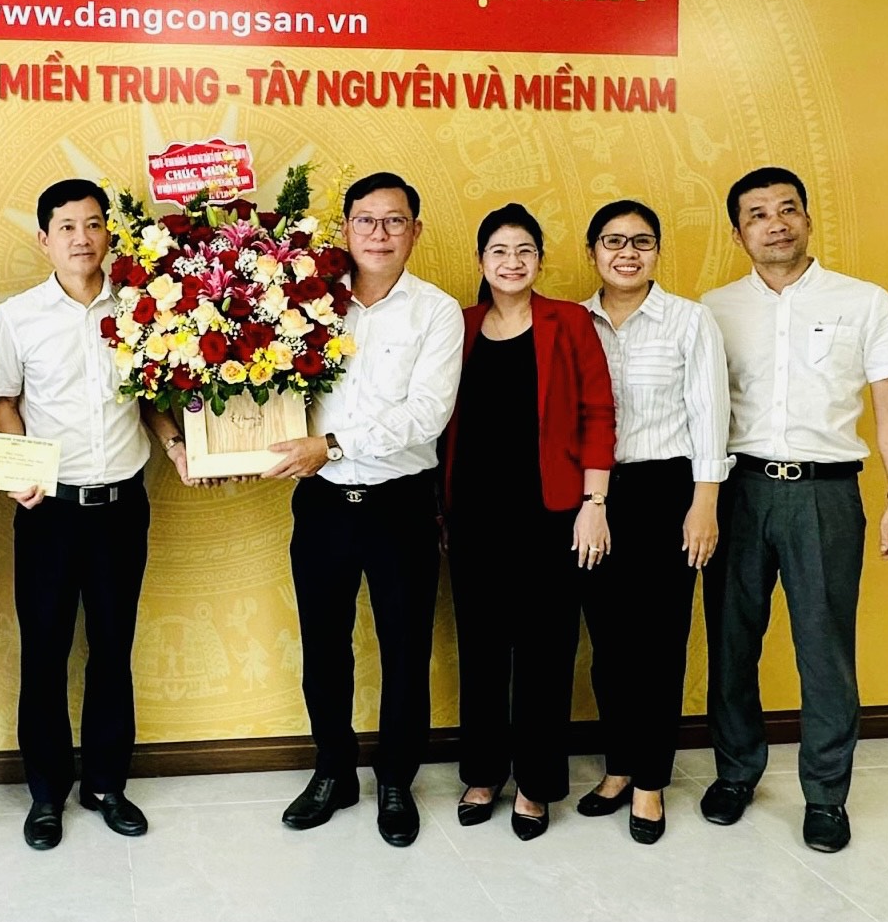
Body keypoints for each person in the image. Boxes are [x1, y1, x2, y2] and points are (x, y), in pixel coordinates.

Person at [700, 167, 888, 853]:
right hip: (737, 490)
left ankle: (826, 794)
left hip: (825, 494)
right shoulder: (712, 308)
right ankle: (735, 772)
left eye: (787, 209)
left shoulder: (864, 301)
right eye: (758, 214)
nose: (776, 223)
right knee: (731, 642)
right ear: (738, 233)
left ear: (807, 218)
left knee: (824, 649)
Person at [0, 178, 195, 851]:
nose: (83, 237)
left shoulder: (141, 307)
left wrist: (175, 445)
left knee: (112, 648)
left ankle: (106, 783)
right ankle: (46, 793)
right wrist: (19, 465)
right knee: (45, 653)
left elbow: (152, 398)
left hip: (121, 507)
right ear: (44, 239)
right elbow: (3, 400)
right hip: (49, 510)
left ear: (108, 232)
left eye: (94, 223)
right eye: (67, 227)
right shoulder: (19, 315)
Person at [261, 172, 463, 847]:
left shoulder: (436, 312)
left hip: (400, 504)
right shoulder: (306, 301)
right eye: (366, 220)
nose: (379, 233)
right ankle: (334, 770)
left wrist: (332, 444)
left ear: (416, 231)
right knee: (324, 645)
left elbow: (427, 414)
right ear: (345, 228)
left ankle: (396, 779)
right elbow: (267, 383)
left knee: (405, 647)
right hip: (322, 504)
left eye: (395, 220)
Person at [443, 203, 615, 841]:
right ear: (481, 261)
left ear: (539, 260)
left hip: (553, 515)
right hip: (473, 516)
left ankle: (537, 784)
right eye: (499, 251)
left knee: (546, 652)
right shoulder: (460, 326)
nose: (512, 262)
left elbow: (600, 412)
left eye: (524, 250)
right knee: (481, 649)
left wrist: (594, 504)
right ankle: (483, 772)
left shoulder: (568, 321)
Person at [575, 200, 731, 844]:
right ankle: (618, 766)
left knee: (660, 642)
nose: (628, 253)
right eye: (613, 241)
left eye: (642, 242)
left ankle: (650, 781)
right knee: (608, 641)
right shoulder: (573, 321)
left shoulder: (690, 320)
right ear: (592, 252)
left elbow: (711, 414)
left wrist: (704, 503)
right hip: (594, 497)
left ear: (657, 252)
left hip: (669, 491)